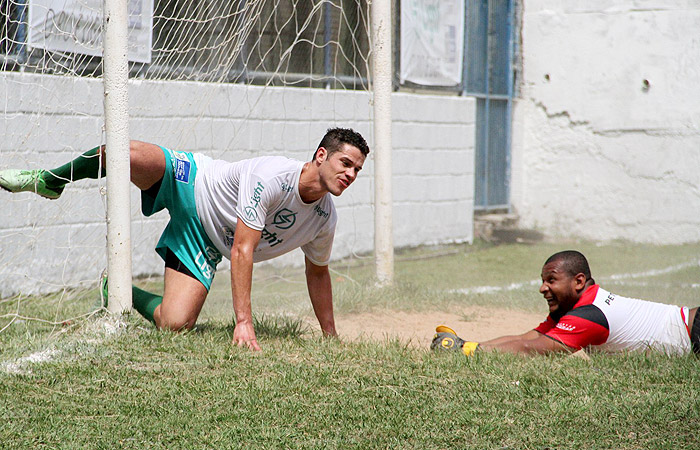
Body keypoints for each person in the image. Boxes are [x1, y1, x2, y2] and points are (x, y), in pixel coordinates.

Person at [0, 127, 369, 351]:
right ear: (321, 156)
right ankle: (52, 180)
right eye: (345, 163)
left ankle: (114, 290)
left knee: (174, 323)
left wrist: (330, 336)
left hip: (205, 239)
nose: (350, 174)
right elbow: (243, 249)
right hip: (191, 181)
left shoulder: (324, 219)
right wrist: (243, 322)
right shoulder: (272, 177)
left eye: (357, 169)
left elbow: (317, 273)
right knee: (124, 152)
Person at [431, 250, 699, 356]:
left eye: (551, 280)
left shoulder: (589, 315)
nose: (543, 288)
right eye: (543, 280)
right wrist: (468, 343)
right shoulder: (576, 307)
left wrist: (466, 352)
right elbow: (532, 336)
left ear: (578, 281)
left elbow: (529, 349)